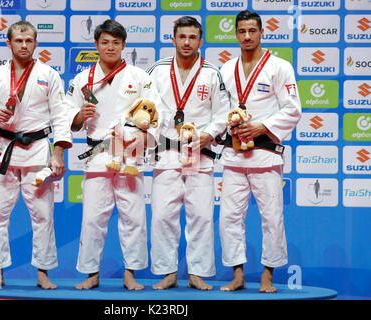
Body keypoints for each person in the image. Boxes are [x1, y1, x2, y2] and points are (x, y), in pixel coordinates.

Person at [0, 20, 72, 290]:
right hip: (4, 152)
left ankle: (42, 272)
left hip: (38, 153)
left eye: (29, 41)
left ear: (36, 43)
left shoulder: (49, 74)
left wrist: (59, 154)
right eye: (18, 40)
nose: (24, 45)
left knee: (42, 215)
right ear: (9, 43)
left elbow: (61, 115)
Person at [65, 19, 162, 290]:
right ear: (96, 44)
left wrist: (142, 140)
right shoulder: (83, 79)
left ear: (124, 45)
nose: (110, 47)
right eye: (105, 42)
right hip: (98, 153)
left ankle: (131, 274)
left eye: (116, 43)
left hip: (130, 155)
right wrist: (77, 116)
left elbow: (156, 117)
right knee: (93, 217)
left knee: (133, 216)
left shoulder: (140, 77)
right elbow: (66, 119)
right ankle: (91, 273)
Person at [218, 10, 301, 293]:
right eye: (242, 31)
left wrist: (261, 126)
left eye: (252, 31)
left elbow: (292, 109)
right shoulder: (227, 69)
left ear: (262, 32)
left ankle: (268, 276)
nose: (247, 36)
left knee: (272, 217)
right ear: (236, 34)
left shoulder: (280, 67)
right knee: (228, 217)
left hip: (266, 155)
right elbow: (219, 110)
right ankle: (237, 274)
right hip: (234, 155)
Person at [145, 16, 229, 290]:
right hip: (167, 153)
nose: (187, 42)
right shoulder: (157, 70)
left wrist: (209, 133)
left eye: (192, 37)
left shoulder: (212, 73)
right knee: (161, 215)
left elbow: (222, 114)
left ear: (200, 41)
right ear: (173, 39)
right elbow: (143, 108)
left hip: (199, 153)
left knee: (201, 215)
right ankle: (167, 272)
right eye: (182, 36)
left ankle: (197, 273)